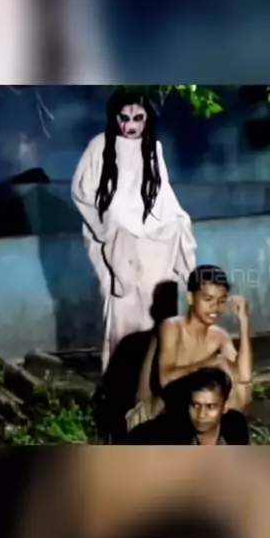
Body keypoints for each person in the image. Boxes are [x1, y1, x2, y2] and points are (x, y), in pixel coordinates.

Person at [71, 87, 196, 372]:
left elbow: (163, 195)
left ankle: (157, 374)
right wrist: (111, 224)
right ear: (115, 117)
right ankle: (120, 378)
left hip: (151, 238)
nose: (130, 125)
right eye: (124, 118)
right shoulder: (99, 146)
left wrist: (178, 220)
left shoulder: (153, 148)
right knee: (123, 309)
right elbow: (82, 191)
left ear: (147, 119)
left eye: (138, 118)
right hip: (116, 241)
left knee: (157, 304)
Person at [126, 265, 253, 430]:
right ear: (190, 298)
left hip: (191, 409)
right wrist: (210, 363)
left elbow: (244, 379)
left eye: (221, 301)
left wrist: (244, 321)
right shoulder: (172, 327)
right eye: (208, 299)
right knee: (215, 378)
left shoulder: (220, 336)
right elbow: (165, 380)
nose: (215, 307)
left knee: (240, 389)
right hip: (152, 413)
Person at [126, 367, 250, 445]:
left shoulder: (235, 425)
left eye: (210, 406)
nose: (201, 414)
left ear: (225, 406)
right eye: (195, 405)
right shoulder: (173, 430)